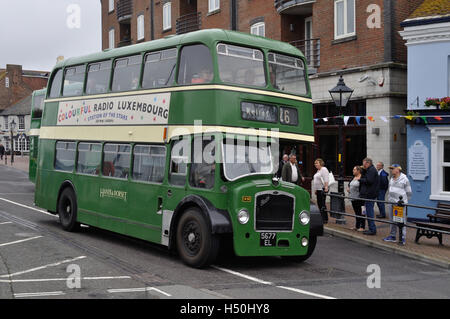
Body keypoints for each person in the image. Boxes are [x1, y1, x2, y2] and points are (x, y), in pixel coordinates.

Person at [383, 164, 412, 245]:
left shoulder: (404, 179)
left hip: (400, 204)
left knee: (401, 220)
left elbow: (409, 192)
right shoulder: (391, 179)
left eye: (393, 169)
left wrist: (404, 201)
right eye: (391, 168)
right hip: (391, 202)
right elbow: (390, 190)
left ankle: (402, 237)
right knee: (392, 219)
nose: (391, 170)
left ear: (398, 170)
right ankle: (392, 236)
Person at [359, 157, 380, 235]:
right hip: (370, 193)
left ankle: (372, 229)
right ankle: (371, 228)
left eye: (364, 163)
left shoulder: (371, 170)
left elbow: (369, 181)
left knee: (369, 211)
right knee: (368, 211)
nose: (363, 165)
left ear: (368, 163)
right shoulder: (370, 170)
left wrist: (360, 179)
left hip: (370, 194)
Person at [347, 166, 365, 232]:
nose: (353, 171)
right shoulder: (353, 177)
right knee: (357, 213)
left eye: (354, 170)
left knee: (362, 212)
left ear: (358, 171)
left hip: (360, 198)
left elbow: (363, 187)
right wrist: (348, 187)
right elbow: (350, 184)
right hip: (353, 198)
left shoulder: (362, 177)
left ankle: (362, 226)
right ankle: (357, 226)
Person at [312, 158, 329, 224]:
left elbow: (326, 179)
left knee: (322, 204)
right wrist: (316, 189)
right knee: (319, 204)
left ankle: (325, 219)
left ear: (321, 163)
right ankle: (322, 217)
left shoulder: (323, 169)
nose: (315, 164)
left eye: (317, 163)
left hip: (322, 189)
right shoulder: (318, 171)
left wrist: (326, 187)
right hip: (318, 190)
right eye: (315, 163)